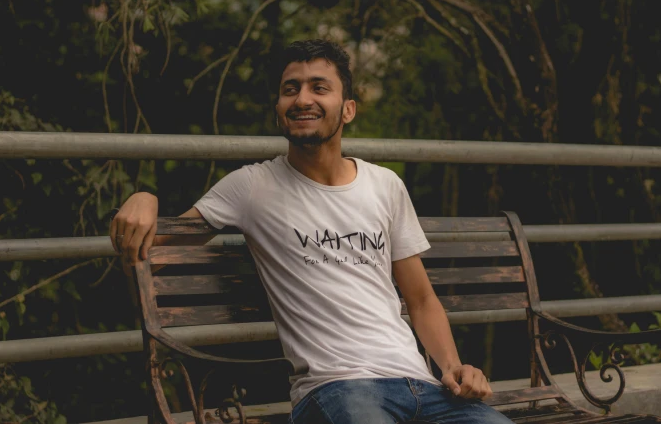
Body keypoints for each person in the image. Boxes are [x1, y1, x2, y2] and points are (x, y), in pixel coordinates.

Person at [110, 39, 511, 424]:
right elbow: (150, 253)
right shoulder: (251, 187)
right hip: (336, 389)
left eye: (319, 87)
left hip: (424, 387)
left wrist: (454, 368)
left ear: (348, 109)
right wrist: (144, 198)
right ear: (278, 110)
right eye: (291, 89)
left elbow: (421, 300)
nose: (303, 99)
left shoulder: (384, 185)